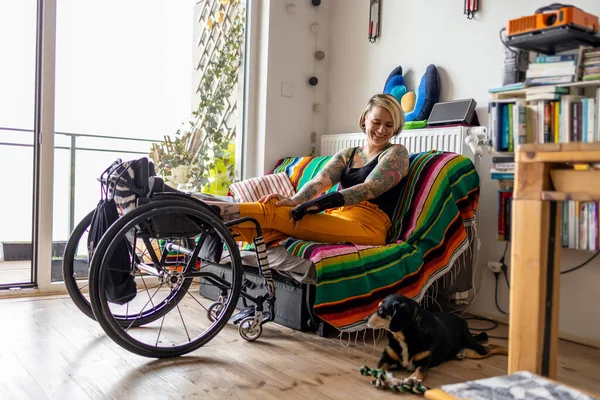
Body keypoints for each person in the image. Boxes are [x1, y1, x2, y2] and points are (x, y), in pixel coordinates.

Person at [205, 93, 410, 246]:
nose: (382, 130)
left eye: (389, 125)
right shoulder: (349, 153)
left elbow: (368, 189)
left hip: (368, 226)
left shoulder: (396, 153)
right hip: (338, 215)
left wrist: (316, 204)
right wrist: (295, 201)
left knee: (274, 214)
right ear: (365, 119)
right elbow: (320, 181)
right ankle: (208, 224)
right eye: (376, 122)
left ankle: (207, 211)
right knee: (274, 220)